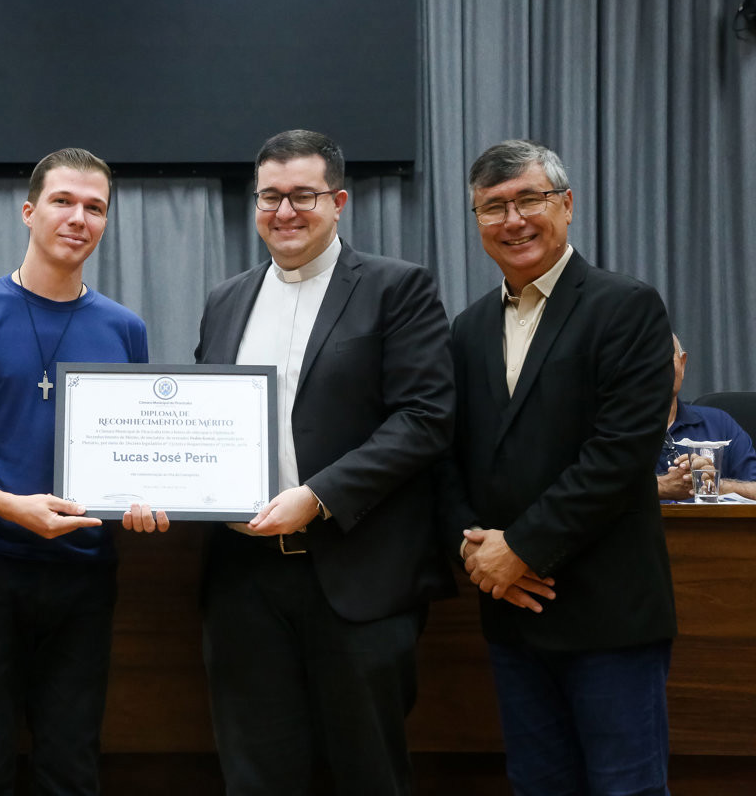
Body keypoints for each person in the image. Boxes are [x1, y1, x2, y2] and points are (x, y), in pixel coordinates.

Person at [190, 129, 456, 794]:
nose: (285, 212)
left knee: (367, 775)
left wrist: (319, 495)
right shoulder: (226, 298)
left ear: (339, 201)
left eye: (303, 196)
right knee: (256, 777)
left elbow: (425, 419)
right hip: (243, 582)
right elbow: (203, 420)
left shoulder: (399, 288)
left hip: (356, 575)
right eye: (270, 197)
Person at [0, 147, 168, 795]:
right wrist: (7, 505)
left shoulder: (124, 329)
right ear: (29, 211)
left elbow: (137, 450)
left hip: (83, 573)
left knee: (71, 765)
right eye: (63, 201)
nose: (79, 217)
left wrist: (146, 496)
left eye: (95, 207)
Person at [442, 139, 676, 795]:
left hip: (609, 615)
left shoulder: (626, 307)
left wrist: (520, 548)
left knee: (625, 789)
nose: (512, 220)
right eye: (493, 207)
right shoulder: (466, 331)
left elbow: (619, 455)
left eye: (529, 200)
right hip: (512, 612)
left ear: (566, 205)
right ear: (479, 223)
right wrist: (478, 552)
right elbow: (447, 456)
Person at [657, 333, 756, 500]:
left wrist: (716, 484)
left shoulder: (719, 424)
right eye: (647, 359)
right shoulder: (610, 428)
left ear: (682, 363)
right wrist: (661, 487)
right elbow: (600, 491)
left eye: (665, 357)